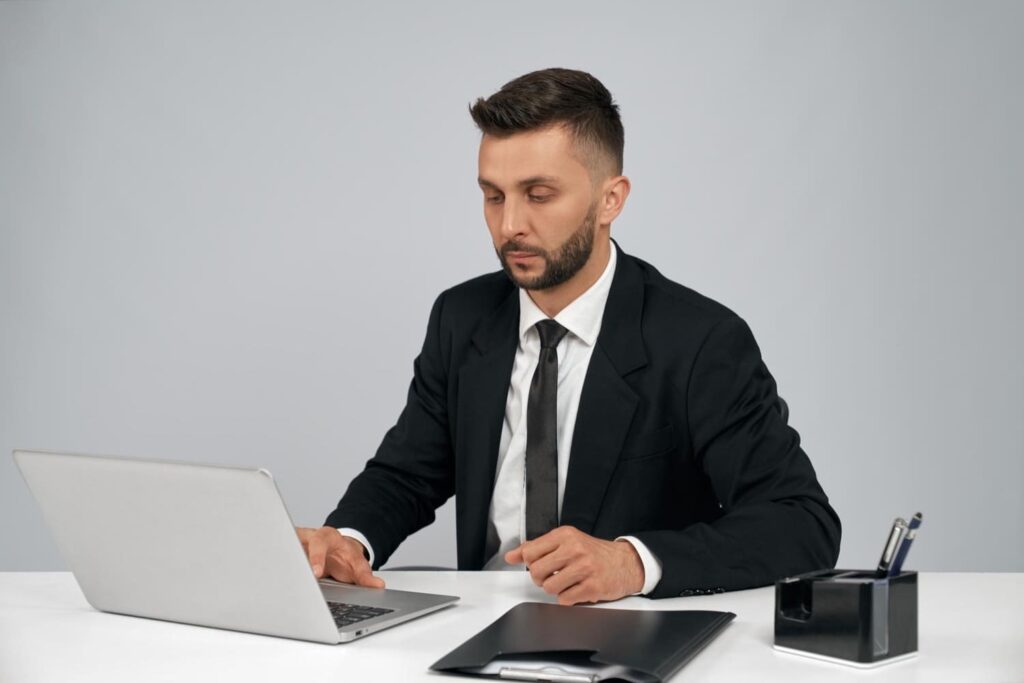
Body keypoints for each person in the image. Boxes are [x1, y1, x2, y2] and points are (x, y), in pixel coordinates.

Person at [297, 68, 841, 604]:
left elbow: (801, 523)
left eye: (538, 194)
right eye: (493, 196)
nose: (510, 225)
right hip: (474, 624)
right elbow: (406, 474)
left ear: (611, 200)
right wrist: (347, 540)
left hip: (627, 634)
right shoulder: (461, 317)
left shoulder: (701, 340)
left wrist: (632, 562)